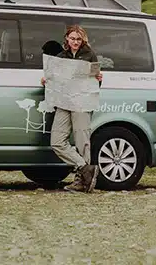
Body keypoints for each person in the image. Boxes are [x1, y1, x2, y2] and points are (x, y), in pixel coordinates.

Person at [40, 24, 102, 192]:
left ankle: (81, 182)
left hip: (82, 102)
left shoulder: (90, 55)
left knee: (82, 142)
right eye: (73, 38)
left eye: (78, 39)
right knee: (57, 142)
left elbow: (95, 81)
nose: (75, 42)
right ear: (67, 38)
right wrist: (46, 80)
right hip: (64, 101)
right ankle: (84, 167)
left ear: (83, 40)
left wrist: (98, 77)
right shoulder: (60, 57)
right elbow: (54, 77)